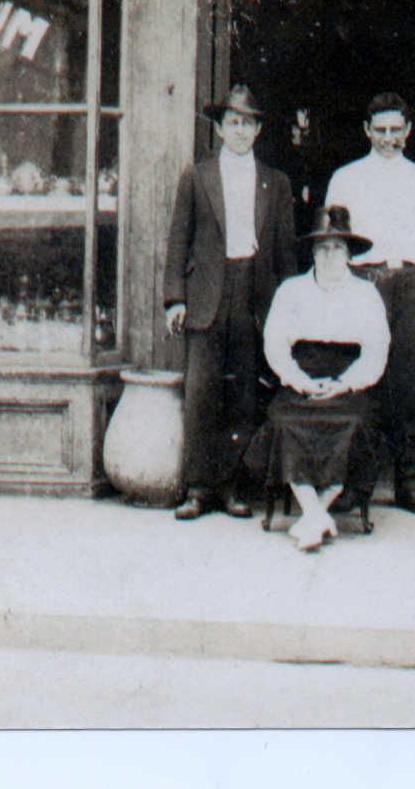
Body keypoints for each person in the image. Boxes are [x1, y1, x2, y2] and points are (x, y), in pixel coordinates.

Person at [164, 84, 297, 520]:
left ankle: (233, 488)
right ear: (219, 128)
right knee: (201, 392)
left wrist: (287, 307)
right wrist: (174, 300)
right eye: (233, 122)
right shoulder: (197, 176)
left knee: (243, 393)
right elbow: (178, 240)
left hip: (252, 291)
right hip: (206, 293)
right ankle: (198, 489)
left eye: (249, 123)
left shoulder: (275, 183)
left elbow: (284, 253)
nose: (240, 130)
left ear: (258, 131)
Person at [324, 92, 415, 517]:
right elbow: (333, 239)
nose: (389, 138)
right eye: (381, 131)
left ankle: (409, 486)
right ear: (367, 131)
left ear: (408, 131)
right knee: (360, 381)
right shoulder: (345, 178)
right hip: (363, 282)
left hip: (409, 283)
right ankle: (356, 486)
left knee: (409, 386)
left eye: (396, 131)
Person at [246, 206, 390, 550]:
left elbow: (376, 349)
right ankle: (316, 515)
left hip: (348, 381)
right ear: (312, 252)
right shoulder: (291, 291)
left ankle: (311, 517)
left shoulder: (366, 293)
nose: (329, 256)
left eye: (338, 248)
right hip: (302, 379)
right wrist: (301, 381)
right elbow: (276, 344)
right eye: (322, 248)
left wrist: (346, 383)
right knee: (284, 420)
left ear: (349, 253)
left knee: (353, 422)